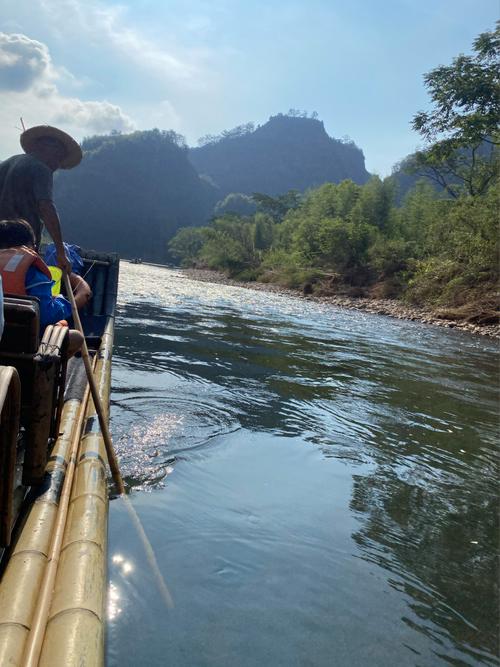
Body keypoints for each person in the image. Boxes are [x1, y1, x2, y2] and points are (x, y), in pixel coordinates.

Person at [0, 218, 91, 355]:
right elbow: (47, 316)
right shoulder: (33, 274)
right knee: (76, 338)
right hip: (22, 345)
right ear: (30, 246)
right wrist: (65, 300)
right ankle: (44, 375)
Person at [0, 125, 83, 274]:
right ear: (48, 148)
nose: (57, 165)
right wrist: (60, 252)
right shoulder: (41, 169)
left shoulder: (8, 162)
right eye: (59, 158)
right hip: (20, 246)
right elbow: (46, 207)